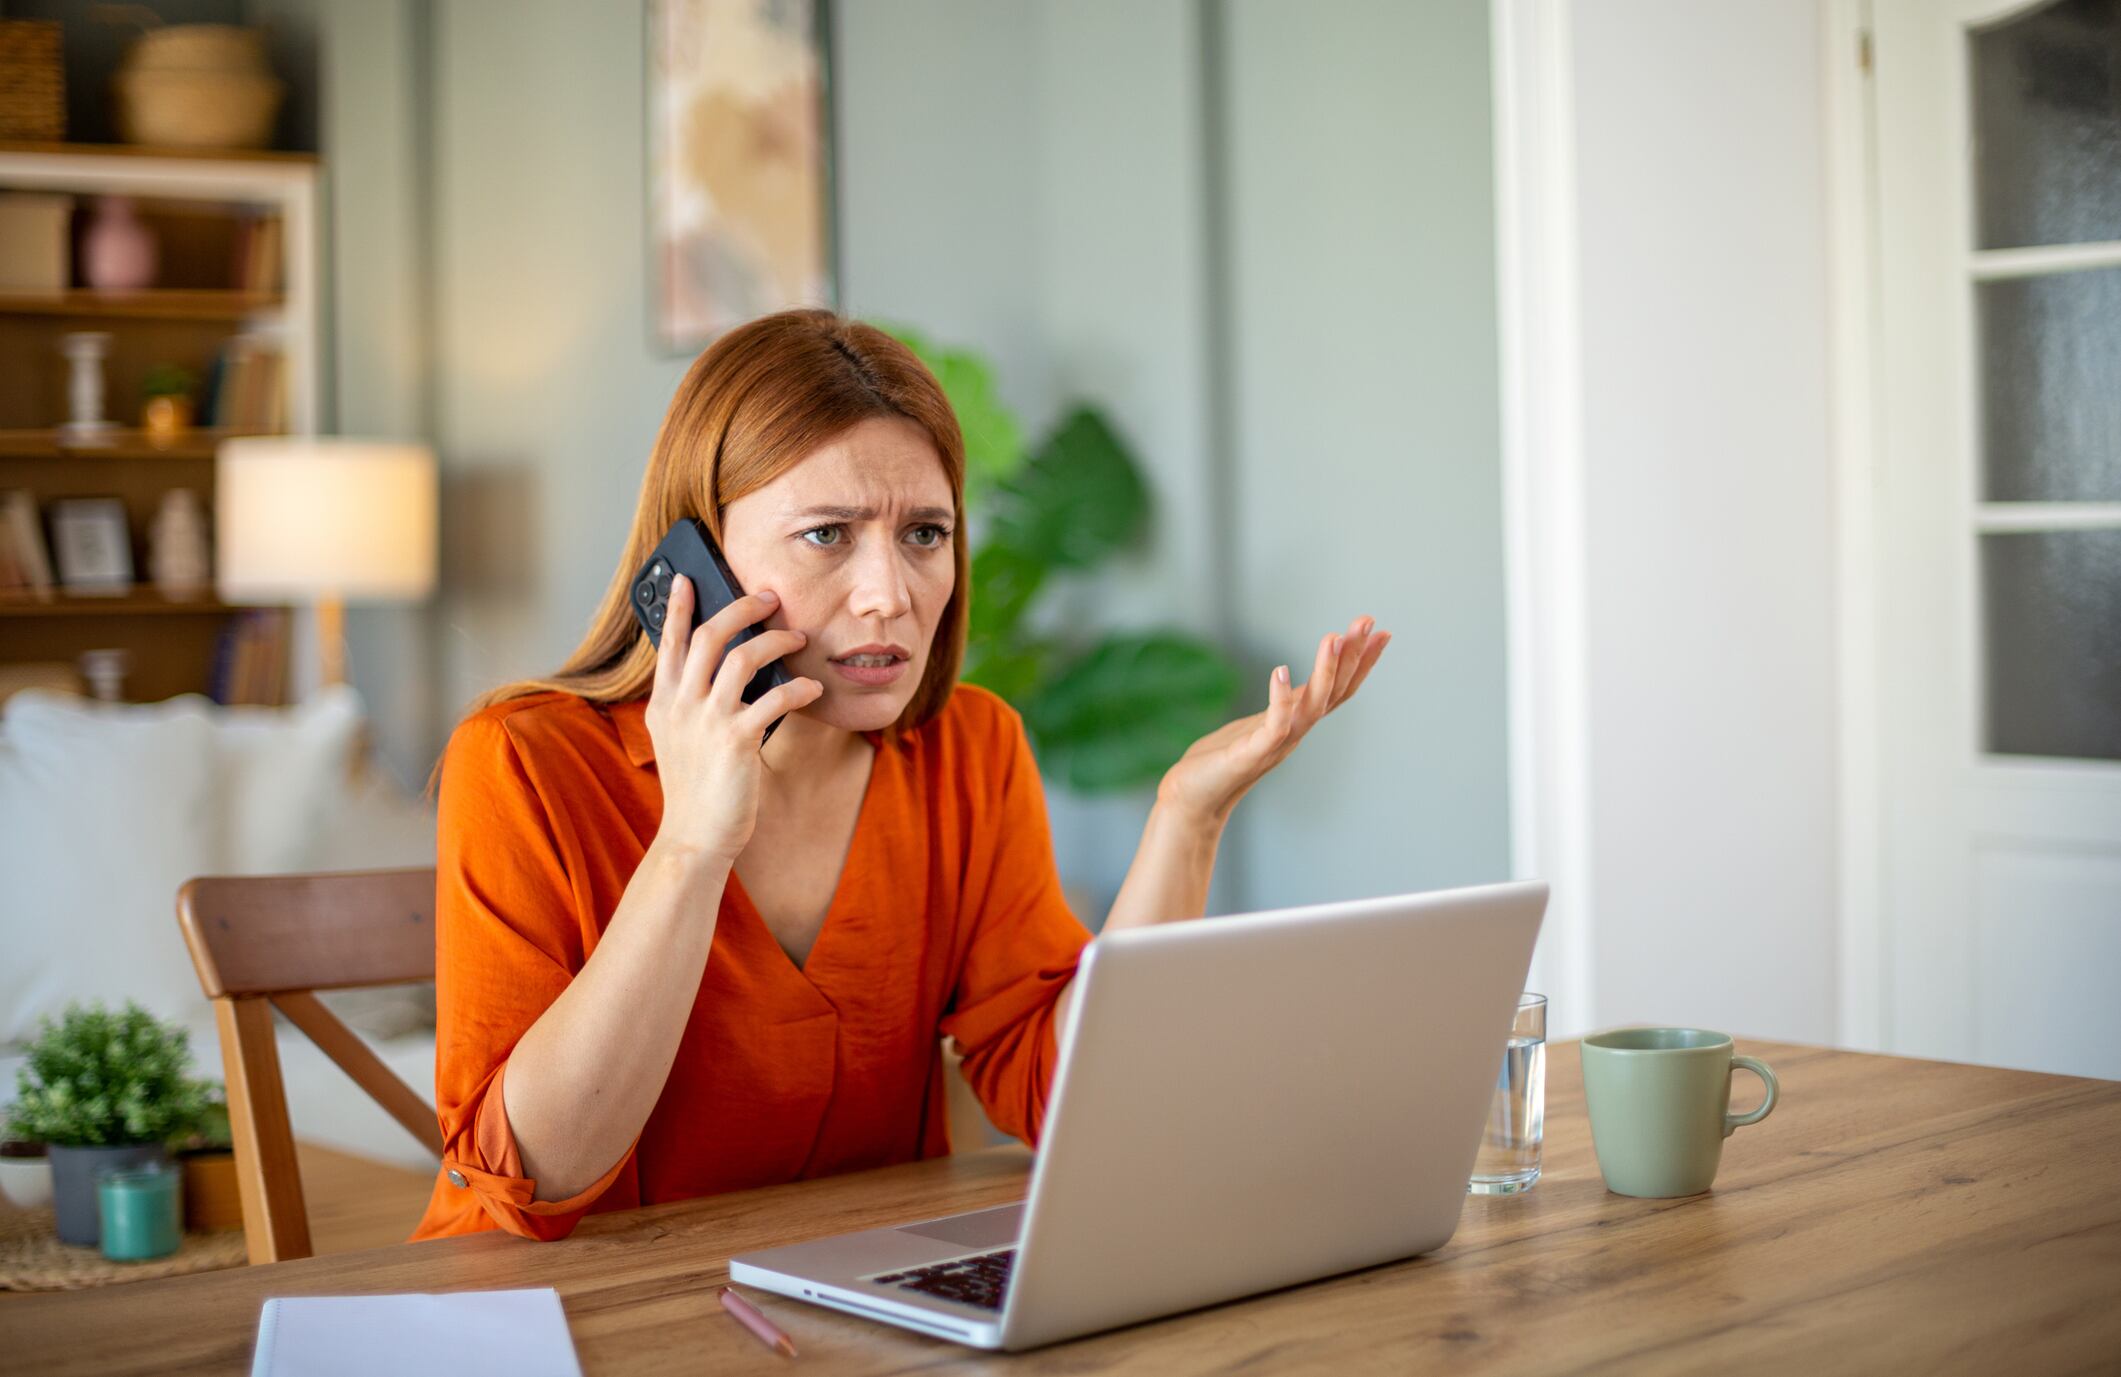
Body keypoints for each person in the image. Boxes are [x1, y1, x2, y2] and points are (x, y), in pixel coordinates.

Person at [411, 310, 1388, 1241]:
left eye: (924, 534)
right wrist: (692, 845)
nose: (888, 596)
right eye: (826, 534)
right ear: (698, 554)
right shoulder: (522, 764)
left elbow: (1075, 1099)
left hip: (837, 1300)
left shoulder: (969, 751)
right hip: (559, 1311)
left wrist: (1188, 816)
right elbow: (539, 1174)